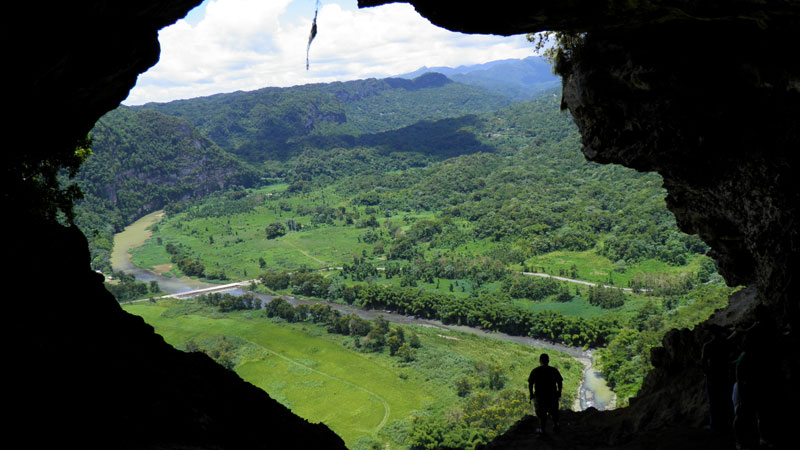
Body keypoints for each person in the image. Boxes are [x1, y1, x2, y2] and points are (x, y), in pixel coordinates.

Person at [528, 353, 563, 434]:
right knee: (554, 412)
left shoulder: (535, 371)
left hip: (540, 397)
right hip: (552, 395)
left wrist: (531, 394)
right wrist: (559, 392)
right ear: (548, 361)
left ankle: (543, 430)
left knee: (541, 414)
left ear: (540, 361)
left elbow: (530, 384)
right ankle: (555, 426)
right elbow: (559, 382)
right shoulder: (553, 370)